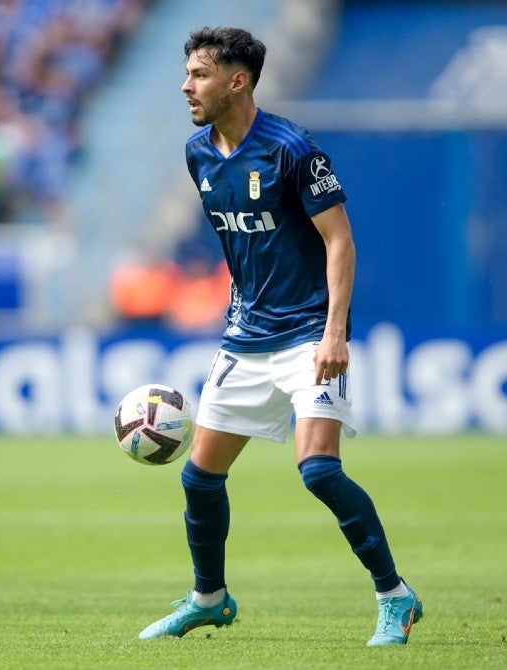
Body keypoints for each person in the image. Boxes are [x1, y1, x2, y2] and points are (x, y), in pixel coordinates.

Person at [137, 27, 422, 647]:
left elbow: (339, 240)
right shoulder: (197, 153)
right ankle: (209, 598)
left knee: (318, 471)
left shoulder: (292, 149)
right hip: (245, 338)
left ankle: (395, 596)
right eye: (186, 73)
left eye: (200, 75)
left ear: (237, 81)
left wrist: (334, 332)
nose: (186, 86)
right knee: (199, 478)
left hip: (307, 337)